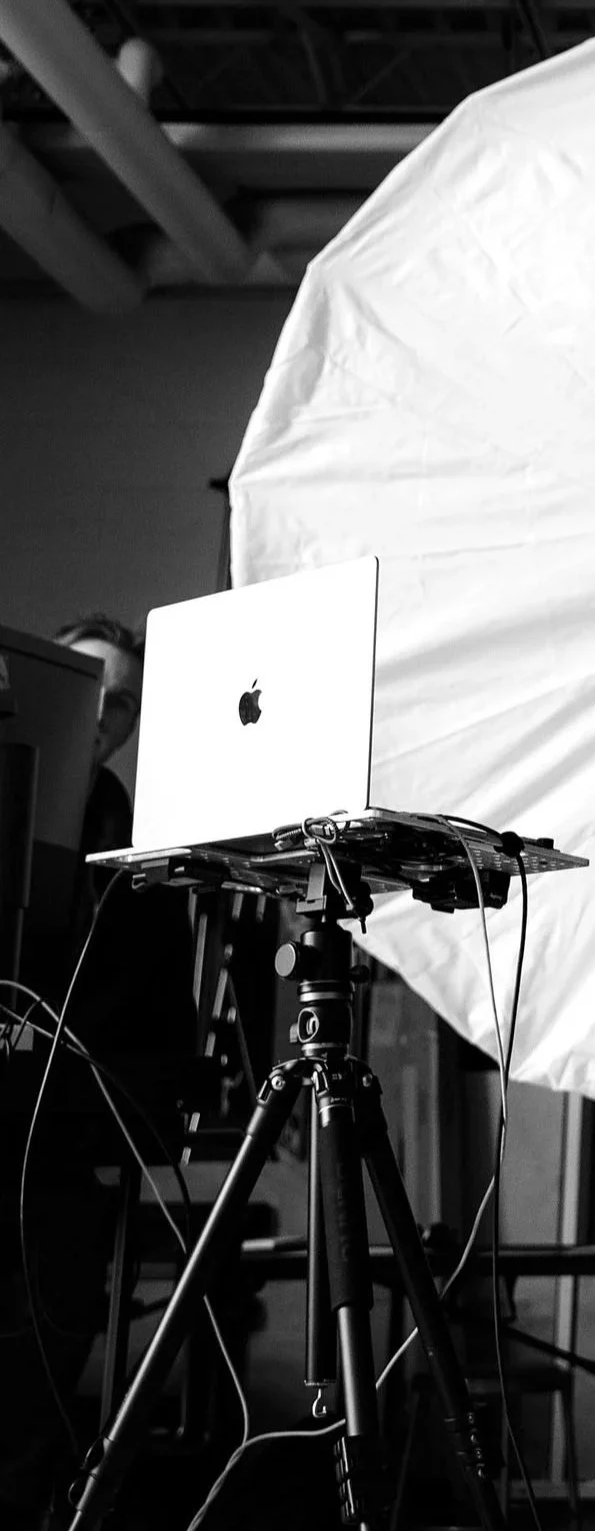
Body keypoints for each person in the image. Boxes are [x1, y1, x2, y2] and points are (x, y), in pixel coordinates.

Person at [3, 615, 191, 1526]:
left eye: (123, 701)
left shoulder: (141, 854)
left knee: (26, 1436)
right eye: (89, 689)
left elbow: (157, 1046)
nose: (106, 714)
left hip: (57, 1184)